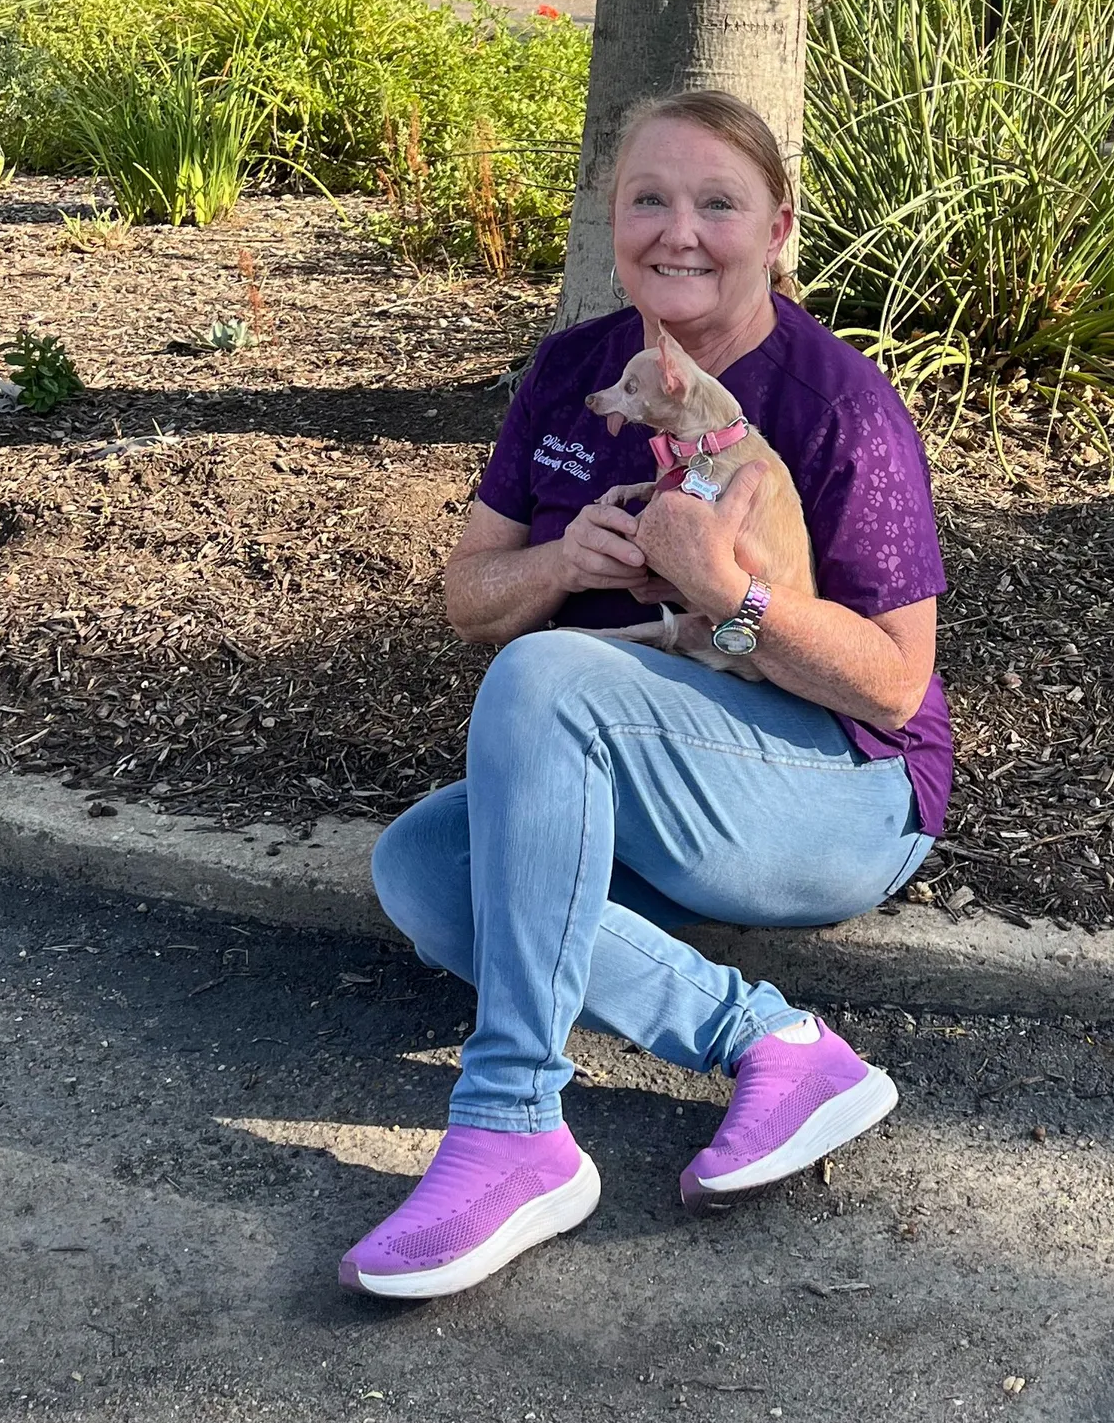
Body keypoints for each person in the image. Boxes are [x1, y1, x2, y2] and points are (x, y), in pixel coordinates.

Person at [341, 88, 951, 1301]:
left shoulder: (838, 405)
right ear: (611, 222)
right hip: (655, 781)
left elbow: (892, 686)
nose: (680, 231)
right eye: (649, 200)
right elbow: (471, 598)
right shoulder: (574, 373)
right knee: (420, 870)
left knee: (552, 674)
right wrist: (566, 562)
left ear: (777, 228)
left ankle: (514, 1119)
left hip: (843, 796)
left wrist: (730, 599)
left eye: (718, 204)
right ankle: (770, 1045)